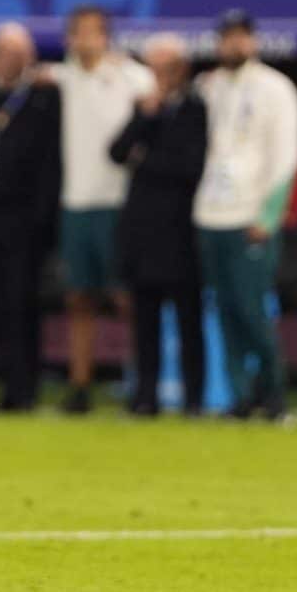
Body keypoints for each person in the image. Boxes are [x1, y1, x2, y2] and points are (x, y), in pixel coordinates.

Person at [193, 10, 297, 420]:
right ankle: (239, 396)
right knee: (224, 311)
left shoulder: (276, 88)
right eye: (226, 38)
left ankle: (274, 396)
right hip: (211, 215)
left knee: (252, 309)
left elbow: (286, 155)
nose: (233, 45)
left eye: (240, 37)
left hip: (251, 217)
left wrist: (269, 214)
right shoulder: (208, 87)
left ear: (253, 41)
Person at [46, 6, 155, 414]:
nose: (85, 40)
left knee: (126, 298)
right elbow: (25, 74)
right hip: (76, 203)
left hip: (118, 204)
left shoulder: (134, 78)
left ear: (106, 36)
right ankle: (79, 386)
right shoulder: (62, 77)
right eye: (78, 32)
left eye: (93, 32)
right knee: (78, 298)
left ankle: (141, 382)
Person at [109, 34, 207, 418]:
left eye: (166, 67)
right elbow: (116, 152)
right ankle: (144, 396)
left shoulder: (196, 108)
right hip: (141, 229)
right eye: (154, 68)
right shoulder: (146, 109)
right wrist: (145, 117)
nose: (160, 76)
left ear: (181, 68)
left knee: (188, 318)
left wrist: (145, 162)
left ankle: (193, 399)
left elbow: (189, 166)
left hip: (181, 230)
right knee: (144, 318)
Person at [0, 23, 61, 413]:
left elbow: (50, 163)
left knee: (24, 302)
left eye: (20, 53)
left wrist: (43, 218)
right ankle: (7, 383)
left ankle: (27, 387)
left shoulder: (42, 97)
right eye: (4, 52)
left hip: (26, 218)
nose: (12, 60)